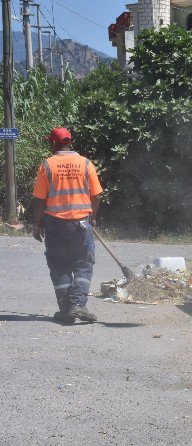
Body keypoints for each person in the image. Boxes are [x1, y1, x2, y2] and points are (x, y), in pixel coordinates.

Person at [32, 128, 103, 323]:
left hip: (55, 224)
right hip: (81, 223)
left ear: (54, 143)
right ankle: (78, 305)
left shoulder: (47, 165)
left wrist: (37, 225)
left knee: (59, 265)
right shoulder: (86, 164)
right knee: (83, 263)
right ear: (69, 142)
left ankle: (66, 309)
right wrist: (93, 218)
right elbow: (96, 196)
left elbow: (39, 199)